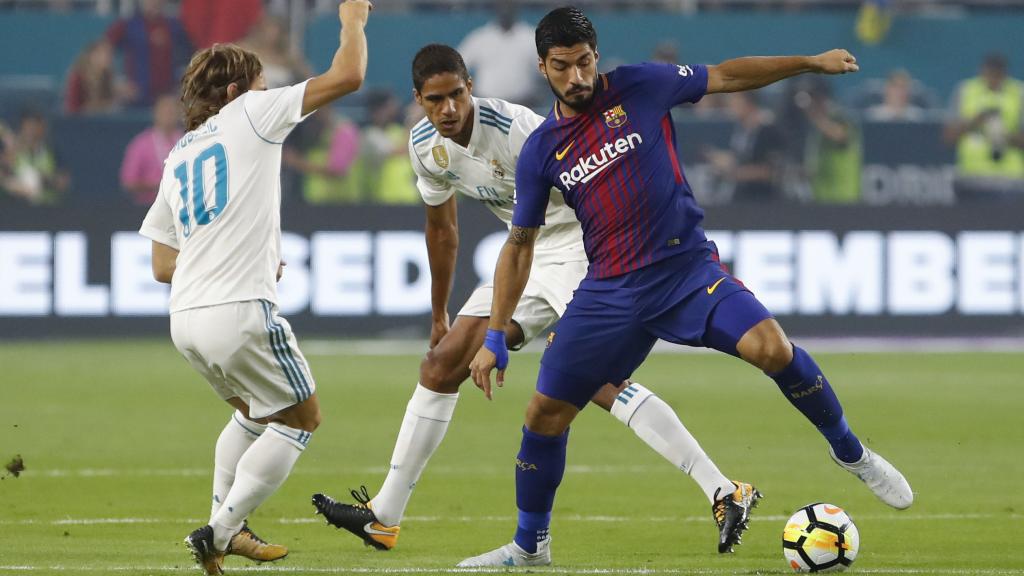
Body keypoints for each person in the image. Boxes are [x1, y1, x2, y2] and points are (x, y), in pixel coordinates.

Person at [461, 7, 913, 568]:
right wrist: (496, 333)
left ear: (596, 56)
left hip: (685, 271)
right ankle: (530, 548)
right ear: (542, 66)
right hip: (609, 292)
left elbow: (726, 75)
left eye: (583, 63)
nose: (575, 77)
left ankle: (851, 452)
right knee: (543, 417)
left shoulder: (640, 86)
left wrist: (808, 64)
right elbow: (519, 244)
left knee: (772, 348)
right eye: (561, 66)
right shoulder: (541, 150)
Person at [310, 42, 755, 555]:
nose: (448, 109)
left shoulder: (518, 131)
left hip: (585, 246)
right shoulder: (424, 146)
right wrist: (439, 312)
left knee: (598, 383)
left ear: (470, 87)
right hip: (527, 254)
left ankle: (723, 489)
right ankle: (384, 517)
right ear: (419, 100)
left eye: (456, 95)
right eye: (435, 100)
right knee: (441, 363)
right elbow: (442, 230)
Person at [137, 1, 371, 574]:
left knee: (253, 414)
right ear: (241, 88)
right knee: (302, 417)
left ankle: (229, 525)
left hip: (185, 316)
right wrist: (353, 20)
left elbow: (162, 264)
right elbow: (349, 76)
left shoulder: (178, 153)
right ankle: (217, 532)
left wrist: (233, 251)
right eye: (265, 82)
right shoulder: (253, 112)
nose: (272, 90)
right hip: (238, 310)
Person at [943, 53, 1024, 200]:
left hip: (1010, 180)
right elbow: (948, 137)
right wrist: (975, 121)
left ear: (1004, 74)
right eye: (989, 74)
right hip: (971, 176)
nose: (993, 80)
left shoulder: (1019, 93)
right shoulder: (965, 90)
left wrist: (1002, 136)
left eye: (997, 75)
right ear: (982, 71)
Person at [106, 0, 192, 107]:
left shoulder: (174, 26)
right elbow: (104, 49)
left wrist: (181, 85)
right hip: (135, 98)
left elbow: (192, 56)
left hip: (166, 99)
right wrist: (117, 82)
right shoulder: (128, 24)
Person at [703, 91, 785, 202]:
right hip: (740, 198)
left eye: (735, 100)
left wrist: (732, 172)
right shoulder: (739, 130)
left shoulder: (768, 130)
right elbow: (741, 157)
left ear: (748, 102)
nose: (730, 104)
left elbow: (770, 171)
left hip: (762, 201)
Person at [457, 1, 539, 106]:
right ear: (495, 6)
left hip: (524, 107)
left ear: (516, 5)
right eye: (502, 3)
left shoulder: (531, 37)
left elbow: (548, 72)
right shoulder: (480, 37)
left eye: (509, 3)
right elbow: (456, 67)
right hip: (487, 107)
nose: (505, 7)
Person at [120, 93, 184, 205]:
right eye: (164, 111)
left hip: (182, 207)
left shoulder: (187, 141)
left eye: (172, 111)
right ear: (155, 113)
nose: (168, 115)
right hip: (148, 207)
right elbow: (128, 182)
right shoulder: (141, 144)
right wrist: (155, 186)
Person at [2, 110, 69, 206]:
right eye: (28, 127)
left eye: (35, 127)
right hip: (19, 210)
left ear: (42, 129)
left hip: (49, 209)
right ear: (21, 129)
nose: (31, 132)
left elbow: (63, 182)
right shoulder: (11, 152)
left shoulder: (52, 152)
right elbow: (5, 180)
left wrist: (42, 180)